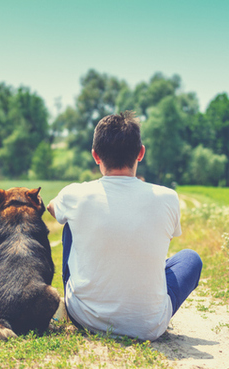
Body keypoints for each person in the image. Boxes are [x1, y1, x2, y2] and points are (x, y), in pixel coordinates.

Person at [47, 111, 202, 341]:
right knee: (190, 259)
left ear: (95, 156)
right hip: (149, 326)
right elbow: (166, 239)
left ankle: (82, 298)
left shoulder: (75, 193)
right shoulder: (168, 197)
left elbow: (51, 207)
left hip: (85, 318)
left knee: (68, 220)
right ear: (141, 153)